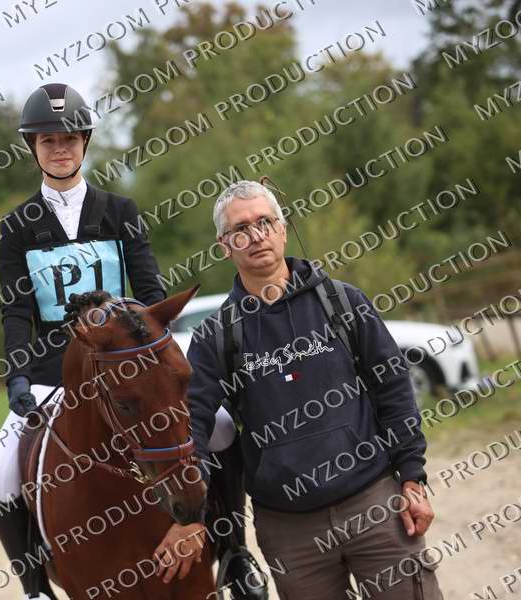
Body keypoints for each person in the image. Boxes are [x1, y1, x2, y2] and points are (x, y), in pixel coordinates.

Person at [0, 84, 258, 599]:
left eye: (68, 139)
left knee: (220, 425)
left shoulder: (119, 210)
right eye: (47, 141)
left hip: (128, 364)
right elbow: (16, 310)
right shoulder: (18, 226)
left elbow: (149, 291)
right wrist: (17, 374)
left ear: (84, 142)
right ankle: (36, 587)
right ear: (33, 148)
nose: (59, 149)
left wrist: (156, 352)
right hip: (52, 373)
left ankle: (236, 553)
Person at [164, 180, 444, 599]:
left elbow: (394, 391)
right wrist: (190, 515)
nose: (256, 235)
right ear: (224, 246)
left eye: (265, 222)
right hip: (289, 531)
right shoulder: (216, 335)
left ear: (282, 228)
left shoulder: (344, 302)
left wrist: (412, 478)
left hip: (374, 505)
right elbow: (194, 425)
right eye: (241, 229)